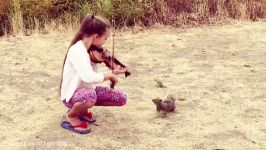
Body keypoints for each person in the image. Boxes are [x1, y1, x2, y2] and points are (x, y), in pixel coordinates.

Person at [60, 15, 128, 134]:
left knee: (121, 98)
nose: (105, 42)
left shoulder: (91, 51)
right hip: (72, 96)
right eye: (105, 38)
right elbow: (88, 77)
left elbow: (92, 79)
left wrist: (112, 69)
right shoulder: (77, 51)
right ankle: (72, 116)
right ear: (96, 37)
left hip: (87, 91)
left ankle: (82, 110)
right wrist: (110, 74)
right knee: (89, 96)